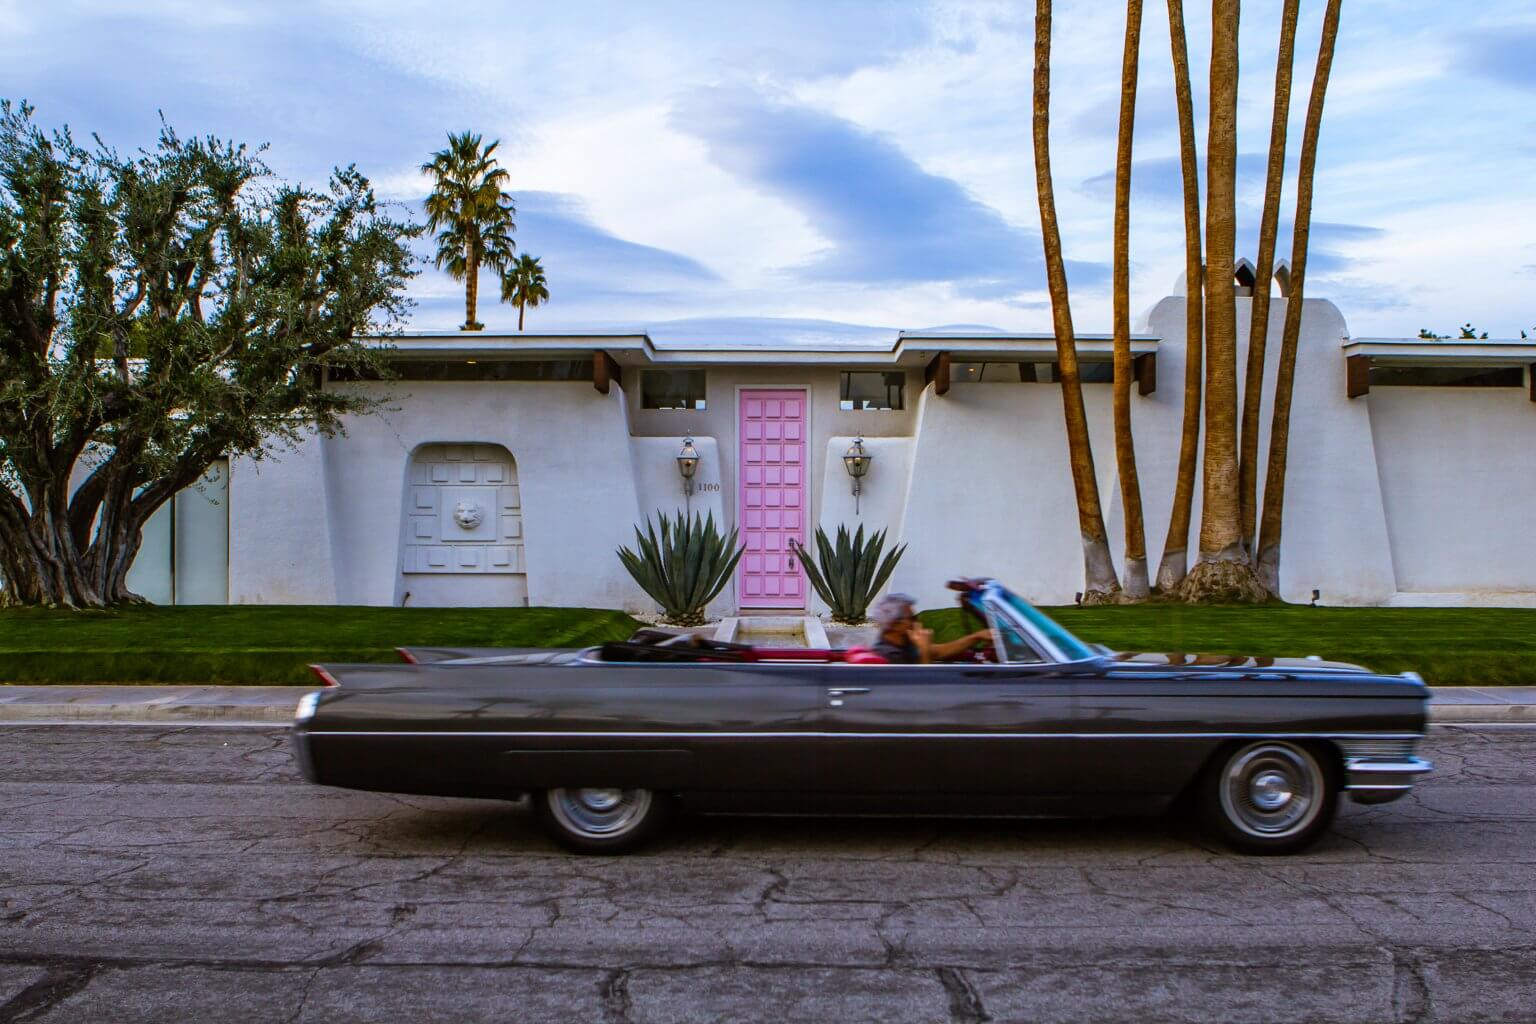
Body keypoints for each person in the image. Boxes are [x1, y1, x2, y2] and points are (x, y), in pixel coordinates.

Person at [868, 593, 991, 664]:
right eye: (912, 619)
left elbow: (941, 651)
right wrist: (924, 648)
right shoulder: (889, 655)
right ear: (895, 624)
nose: (916, 622)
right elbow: (921, 688)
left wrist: (977, 636)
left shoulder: (905, 644)